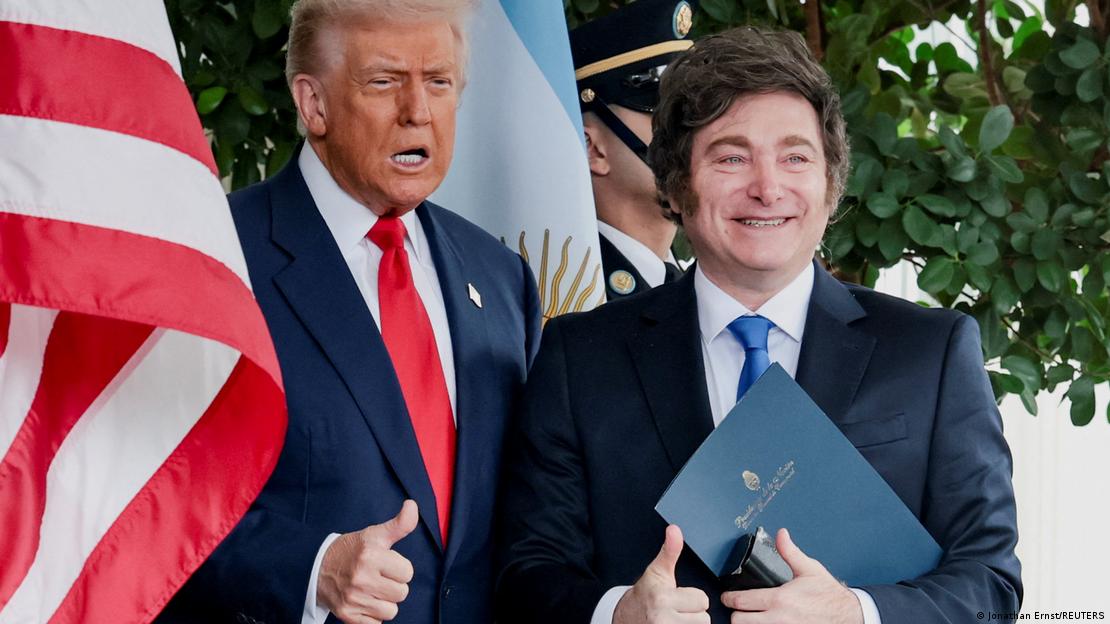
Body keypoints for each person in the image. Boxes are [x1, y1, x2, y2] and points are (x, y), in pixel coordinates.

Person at [496, 26, 1021, 624]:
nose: (767, 188)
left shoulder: (932, 351)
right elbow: (526, 572)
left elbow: (989, 579)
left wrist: (858, 614)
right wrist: (617, 614)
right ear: (676, 182)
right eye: (732, 157)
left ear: (830, 184)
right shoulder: (579, 356)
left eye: (795, 157)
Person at [158, 1, 541, 623]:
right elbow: (148, 503)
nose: (418, 111)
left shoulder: (500, 277)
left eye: (439, 82)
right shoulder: (215, 259)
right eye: (385, 82)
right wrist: (312, 569)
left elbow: (527, 515)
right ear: (313, 104)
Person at [569, 0, 695, 300]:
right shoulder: (568, 294)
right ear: (592, 149)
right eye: (665, 118)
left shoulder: (697, 289)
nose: (693, 134)